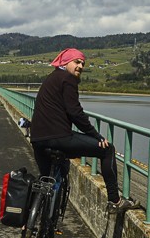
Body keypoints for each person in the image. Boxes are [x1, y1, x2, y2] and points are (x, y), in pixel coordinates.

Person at [30, 48, 136, 212]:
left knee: (45, 181)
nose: (80, 66)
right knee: (107, 150)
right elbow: (75, 112)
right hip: (59, 137)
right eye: (77, 62)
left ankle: (29, 220)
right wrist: (97, 136)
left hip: (37, 139)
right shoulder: (68, 79)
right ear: (65, 62)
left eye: (83, 63)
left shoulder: (51, 78)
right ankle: (115, 201)